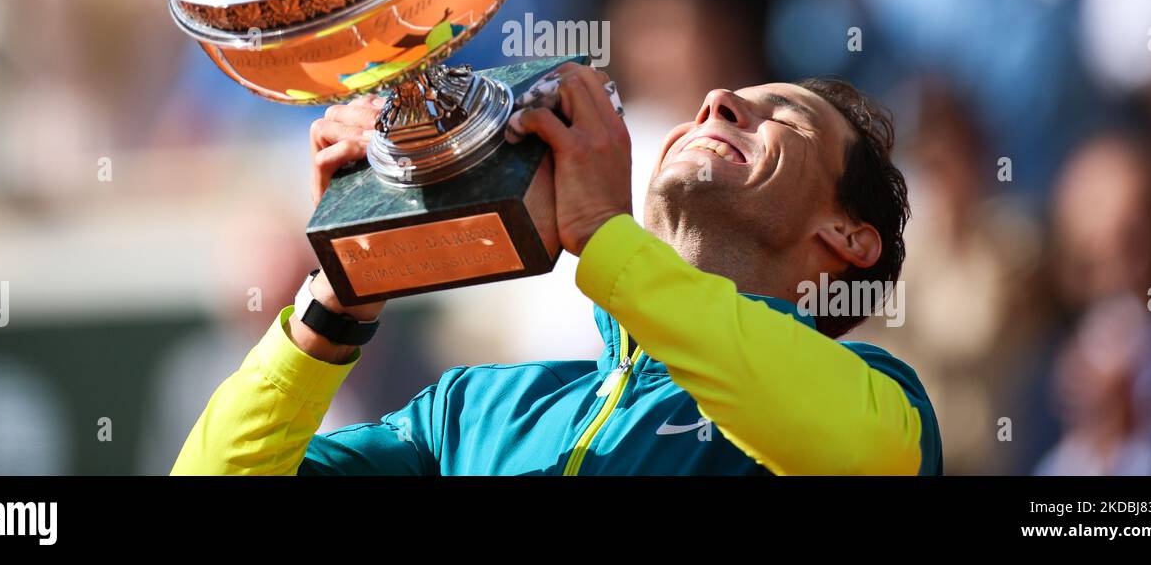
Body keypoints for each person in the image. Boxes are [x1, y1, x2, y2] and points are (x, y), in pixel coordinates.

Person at [172, 64, 942, 475]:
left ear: (851, 238)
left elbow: (850, 454)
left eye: (788, 118)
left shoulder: (885, 404)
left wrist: (606, 238)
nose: (717, 103)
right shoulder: (467, 413)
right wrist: (344, 287)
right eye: (724, 99)